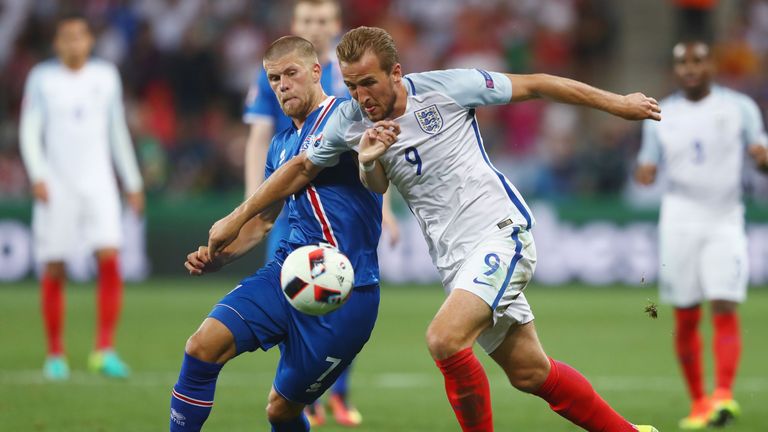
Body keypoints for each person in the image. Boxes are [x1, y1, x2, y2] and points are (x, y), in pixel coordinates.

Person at [207, 26, 662, 432]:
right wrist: (362, 162)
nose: (361, 96)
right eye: (350, 85)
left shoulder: (447, 88)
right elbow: (307, 168)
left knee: (444, 339)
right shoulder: (349, 120)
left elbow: (538, 84)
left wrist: (618, 104)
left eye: (369, 82)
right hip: (453, 256)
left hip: (498, 230)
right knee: (530, 372)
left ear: (396, 73)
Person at [170, 36, 383, 432]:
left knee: (280, 411)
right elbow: (264, 222)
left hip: (345, 292)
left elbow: (306, 166)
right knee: (201, 347)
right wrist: (222, 258)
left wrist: (232, 218)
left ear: (316, 72)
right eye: (273, 78)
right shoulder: (280, 143)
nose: (282, 85)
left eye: (291, 73)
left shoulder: (345, 116)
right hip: (287, 272)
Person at [242, 1, 396, 425]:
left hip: (336, 202)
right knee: (296, 292)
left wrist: (389, 214)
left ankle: (336, 394)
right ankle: (300, 393)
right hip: (288, 201)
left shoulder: (348, 78)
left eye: (322, 21)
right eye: (307, 21)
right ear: (295, 24)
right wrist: (255, 201)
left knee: (339, 288)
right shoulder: (275, 71)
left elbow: (370, 156)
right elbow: (259, 137)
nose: (315, 27)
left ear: (336, 26)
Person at [636, 40, 768, 430]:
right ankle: (698, 403)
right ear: (675, 69)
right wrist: (645, 172)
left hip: (725, 216)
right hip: (679, 217)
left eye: (697, 61)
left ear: (712, 64)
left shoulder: (739, 107)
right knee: (687, 314)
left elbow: (761, 156)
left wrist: (762, 160)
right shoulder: (659, 113)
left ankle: (723, 394)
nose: (690, 68)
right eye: (682, 63)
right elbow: (646, 166)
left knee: (725, 303)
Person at [19, 13, 143, 381]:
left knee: (109, 256)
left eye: (79, 37)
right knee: (54, 265)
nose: (73, 43)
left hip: (99, 182)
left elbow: (117, 130)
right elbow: (29, 129)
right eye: (66, 38)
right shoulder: (42, 78)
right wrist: (38, 174)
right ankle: (55, 353)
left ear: (89, 41)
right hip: (57, 184)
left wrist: (132, 180)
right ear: (57, 43)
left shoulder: (105, 77)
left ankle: (104, 349)